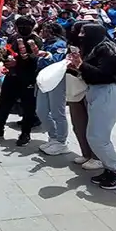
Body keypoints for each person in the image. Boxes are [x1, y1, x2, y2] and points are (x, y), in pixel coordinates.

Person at [68, 23, 116, 189]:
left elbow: (103, 75)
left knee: (97, 137)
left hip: (107, 94)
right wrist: (76, 68)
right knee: (97, 136)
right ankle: (110, 169)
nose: (81, 36)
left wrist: (81, 64)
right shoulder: (96, 48)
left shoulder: (106, 49)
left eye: (84, 32)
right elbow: (91, 74)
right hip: (97, 93)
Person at [0, 15, 41, 146]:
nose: (23, 29)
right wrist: (5, 59)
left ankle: (25, 133)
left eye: (26, 27)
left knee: (28, 107)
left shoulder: (36, 40)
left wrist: (17, 63)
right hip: (11, 76)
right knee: (3, 104)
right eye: (20, 27)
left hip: (28, 78)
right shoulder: (13, 37)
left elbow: (34, 59)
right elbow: (7, 51)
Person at [36, 22, 71, 156]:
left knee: (57, 112)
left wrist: (47, 56)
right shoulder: (45, 43)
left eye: (44, 30)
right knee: (41, 110)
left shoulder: (60, 44)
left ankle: (61, 141)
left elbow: (56, 61)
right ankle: (53, 136)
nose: (42, 32)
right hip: (43, 79)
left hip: (56, 80)